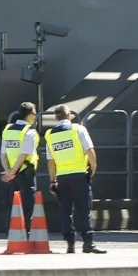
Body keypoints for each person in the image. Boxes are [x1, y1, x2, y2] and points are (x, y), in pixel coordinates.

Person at [45, 105, 105, 254]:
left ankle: (70, 243)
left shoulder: (50, 134)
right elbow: (90, 151)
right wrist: (92, 170)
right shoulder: (78, 129)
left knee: (66, 210)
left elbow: (50, 161)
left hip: (62, 177)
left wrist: (52, 181)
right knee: (84, 209)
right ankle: (88, 243)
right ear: (69, 116)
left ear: (55, 117)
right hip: (79, 175)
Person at [0, 102, 40, 234]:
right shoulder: (30, 132)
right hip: (25, 173)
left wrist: (8, 171)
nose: (35, 117)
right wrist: (13, 172)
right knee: (27, 206)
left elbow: (3, 155)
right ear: (29, 116)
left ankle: (11, 233)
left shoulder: (7, 130)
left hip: (12, 175)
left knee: (13, 205)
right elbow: (24, 154)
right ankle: (26, 234)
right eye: (34, 114)